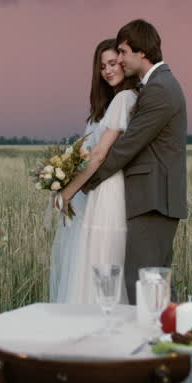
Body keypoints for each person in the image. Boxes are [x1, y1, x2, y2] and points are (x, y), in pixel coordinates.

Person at [81, 19, 186, 304]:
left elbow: (126, 147)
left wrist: (83, 182)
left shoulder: (159, 89)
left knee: (144, 283)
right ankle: (173, 339)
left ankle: (163, 342)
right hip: (152, 198)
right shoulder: (157, 86)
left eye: (124, 53)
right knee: (154, 282)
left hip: (154, 198)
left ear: (142, 52)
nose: (121, 60)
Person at [49, 39, 139, 304]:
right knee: (86, 261)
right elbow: (84, 152)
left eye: (113, 63)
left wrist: (67, 191)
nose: (108, 71)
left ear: (124, 63)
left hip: (108, 191)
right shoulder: (106, 105)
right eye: (102, 67)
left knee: (100, 259)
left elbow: (99, 154)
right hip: (92, 190)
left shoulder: (125, 98)